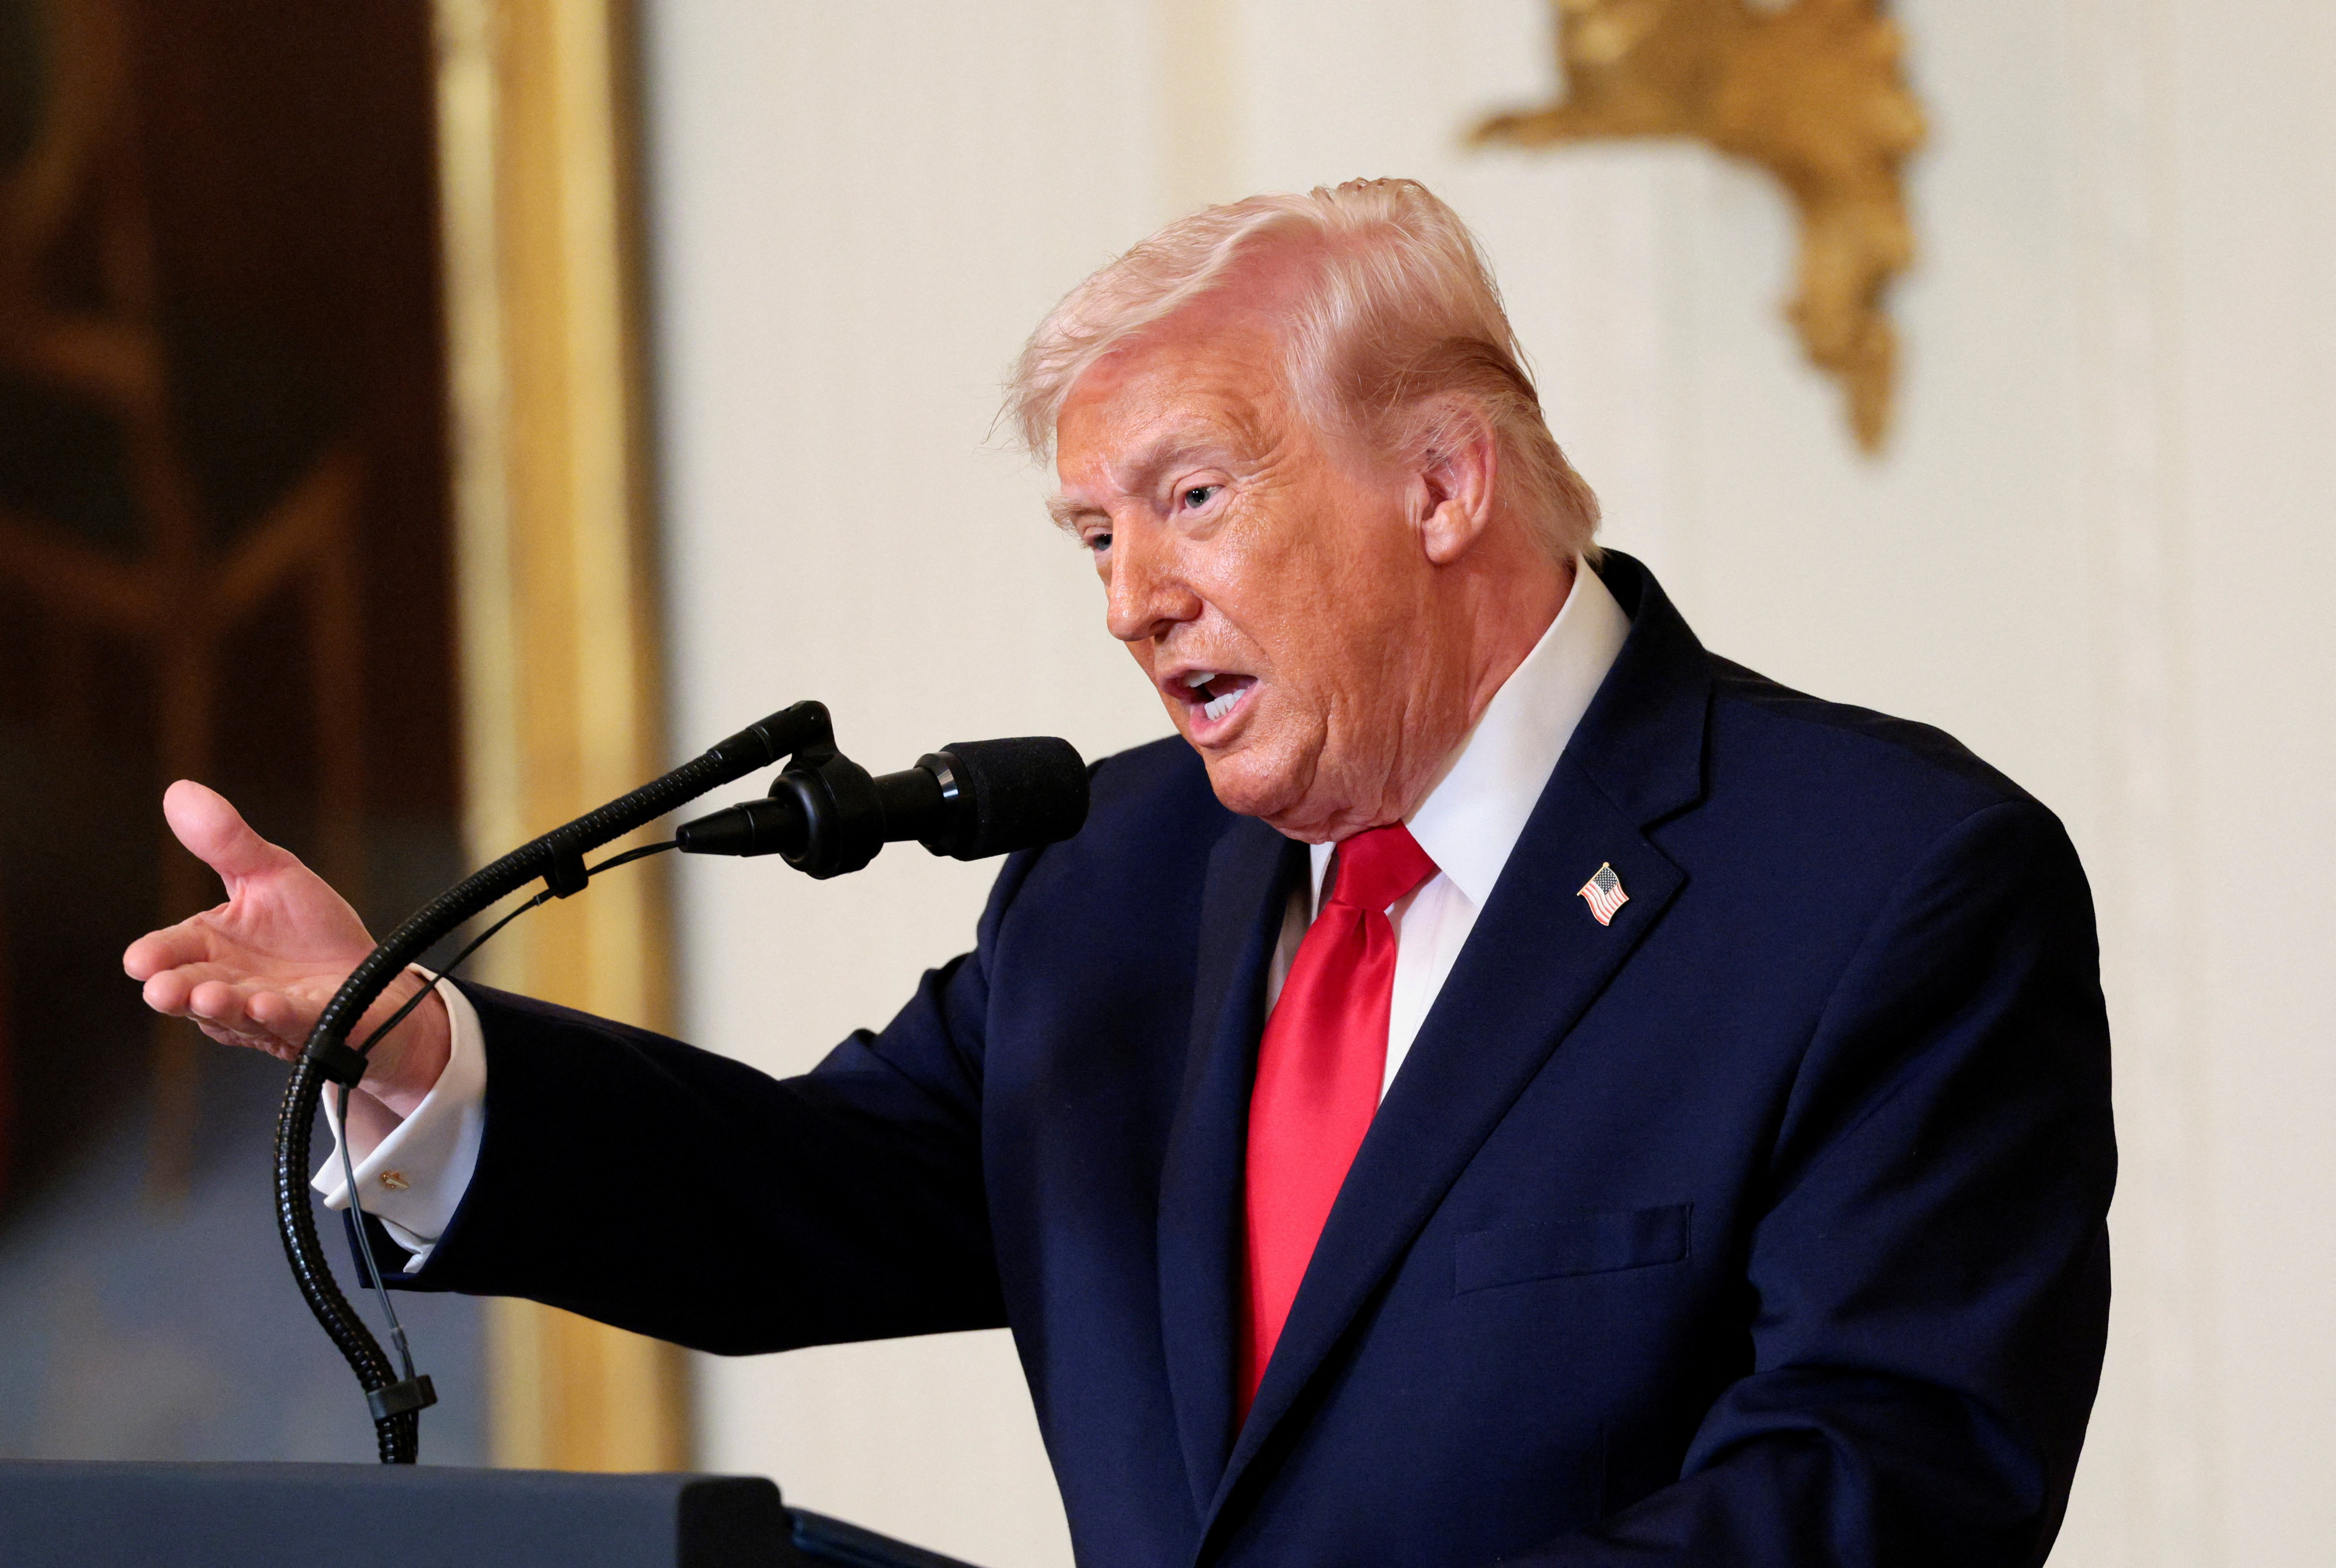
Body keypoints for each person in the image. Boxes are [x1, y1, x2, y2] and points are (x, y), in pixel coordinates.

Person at [125, 179, 2113, 1567]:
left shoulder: (1886, 886)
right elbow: (803, 1203)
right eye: (1091, 535)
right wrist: (407, 1052)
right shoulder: (1124, 871)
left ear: (1441, 479)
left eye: (1190, 498)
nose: (1132, 602)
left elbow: (1884, 1490)